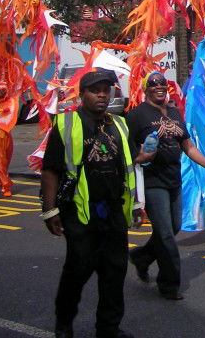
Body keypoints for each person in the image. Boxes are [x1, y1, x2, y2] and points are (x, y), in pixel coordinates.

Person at [41, 69, 142, 338]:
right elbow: (50, 169)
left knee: (114, 272)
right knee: (77, 271)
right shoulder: (66, 124)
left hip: (113, 211)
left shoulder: (119, 125)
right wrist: (50, 210)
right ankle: (64, 323)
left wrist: (134, 205)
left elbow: (130, 165)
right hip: (79, 212)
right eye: (95, 90)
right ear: (82, 94)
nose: (101, 95)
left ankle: (108, 328)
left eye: (106, 90)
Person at [128, 71, 205, 300]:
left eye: (162, 83)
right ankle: (169, 284)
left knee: (173, 227)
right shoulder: (137, 115)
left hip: (173, 179)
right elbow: (128, 151)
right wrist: (140, 158)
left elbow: (188, 147)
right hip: (151, 181)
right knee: (165, 235)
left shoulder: (173, 112)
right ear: (145, 88)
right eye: (153, 83)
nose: (159, 86)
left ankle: (142, 256)